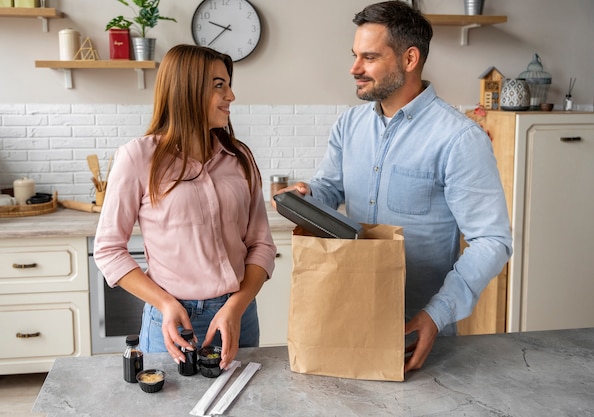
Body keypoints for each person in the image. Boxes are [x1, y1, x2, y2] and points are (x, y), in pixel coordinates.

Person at [274, 1, 512, 372]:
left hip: (419, 331)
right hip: (349, 312)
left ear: (410, 58)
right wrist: (307, 197)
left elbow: (492, 241)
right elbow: (330, 189)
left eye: (368, 57)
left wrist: (437, 314)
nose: (354, 69)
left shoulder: (459, 138)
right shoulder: (348, 126)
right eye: (354, 56)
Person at [94, 44, 276, 370]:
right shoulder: (137, 158)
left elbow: (261, 244)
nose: (231, 95)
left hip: (239, 315)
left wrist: (236, 307)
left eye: (228, 84)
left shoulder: (240, 158)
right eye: (219, 85)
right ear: (187, 89)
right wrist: (164, 303)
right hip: (172, 319)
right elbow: (108, 250)